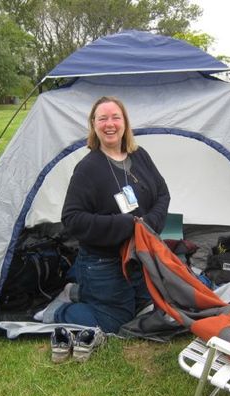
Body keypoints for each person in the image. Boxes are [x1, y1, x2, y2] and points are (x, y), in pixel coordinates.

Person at [45, 96, 170, 333]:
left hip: (139, 256)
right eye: (102, 118)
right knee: (116, 321)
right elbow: (72, 219)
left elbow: (163, 194)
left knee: (153, 303)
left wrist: (147, 225)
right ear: (93, 125)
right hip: (103, 260)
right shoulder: (88, 168)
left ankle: (79, 291)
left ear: (125, 123)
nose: (109, 124)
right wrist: (126, 224)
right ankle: (59, 309)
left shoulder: (140, 155)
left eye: (115, 117)